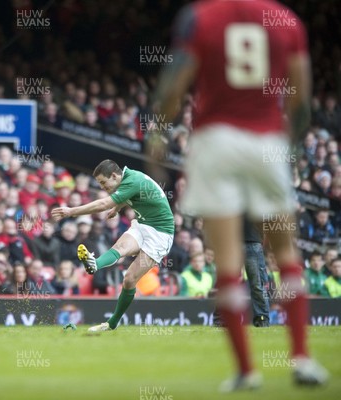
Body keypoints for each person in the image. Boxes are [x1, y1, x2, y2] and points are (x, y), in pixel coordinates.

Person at [154, 0, 327, 389]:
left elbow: (174, 86)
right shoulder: (287, 20)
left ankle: (247, 371)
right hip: (266, 142)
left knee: (228, 263)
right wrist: (293, 148)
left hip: (216, 143)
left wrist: (157, 129)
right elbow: (300, 99)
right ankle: (301, 358)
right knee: (286, 255)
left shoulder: (200, 17)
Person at [52, 160, 174, 332]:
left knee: (130, 279)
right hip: (143, 224)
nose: (102, 187)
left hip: (161, 233)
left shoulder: (132, 180)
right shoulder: (128, 178)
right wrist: (118, 208)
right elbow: (131, 194)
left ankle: (112, 323)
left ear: (115, 176)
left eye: (103, 182)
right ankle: (94, 264)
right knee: (121, 248)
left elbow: (103, 204)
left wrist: (72, 211)